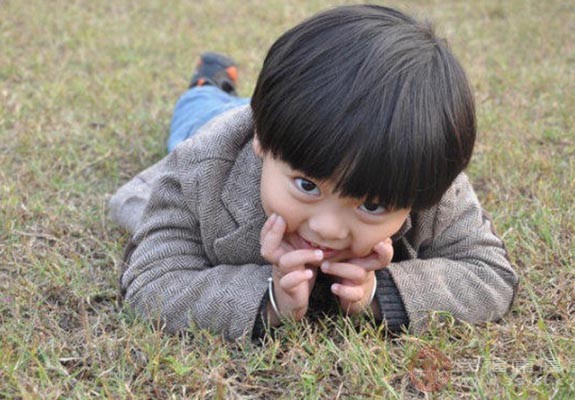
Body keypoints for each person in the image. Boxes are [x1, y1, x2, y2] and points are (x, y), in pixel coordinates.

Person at [110, 5, 518, 341]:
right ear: (263, 145)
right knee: (199, 109)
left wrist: (381, 292)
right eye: (306, 186)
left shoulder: (421, 179)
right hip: (221, 123)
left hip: (296, 133)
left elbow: (489, 274)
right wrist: (269, 298)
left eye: (371, 205)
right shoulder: (204, 168)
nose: (327, 229)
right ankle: (207, 81)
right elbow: (153, 282)